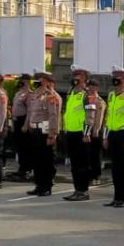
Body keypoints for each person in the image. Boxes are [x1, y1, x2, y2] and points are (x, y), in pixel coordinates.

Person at [25, 70, 62, 197]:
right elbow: (32, 113)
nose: (36, 82)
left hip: (44, 131)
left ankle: (46, 187)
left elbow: (53, 115)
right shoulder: (35, 95)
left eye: (39, 79)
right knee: (36, 160)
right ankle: (39, 185)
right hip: (35, 130)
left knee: (45, 160)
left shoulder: (50, 95)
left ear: (45, 81)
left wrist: (52, 134)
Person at [104, 66, 124, 208]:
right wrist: (105, 137)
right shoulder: (111, 95)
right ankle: (116, 197)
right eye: (114, 77)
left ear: (123, 80)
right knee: (115, 168)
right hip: (113, 134)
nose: (115, 80)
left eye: (118, 77)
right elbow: (107, 117)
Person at [62, 64, 92, 201]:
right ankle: (77, 189)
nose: (75, 78)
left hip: (81, 134)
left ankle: (83, 191)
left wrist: (86, 133)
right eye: (74, 75)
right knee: (74, 164)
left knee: (82, 164)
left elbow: (90, 115)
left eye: (78, 76)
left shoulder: (87, 94)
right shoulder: (71, 93)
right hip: (71, 132)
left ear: (84, 78)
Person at [10, 74, 33, 182]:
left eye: (22, 81)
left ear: (27, 81)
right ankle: (21, 168)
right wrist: (13, 123)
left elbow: (29, 110)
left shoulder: (29, 94)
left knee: (25, 147)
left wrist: (26, 124)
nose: (20, 82)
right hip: (17, 121)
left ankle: (27, 169)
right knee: (19, 146)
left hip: (24, 121)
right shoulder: (18, 93)